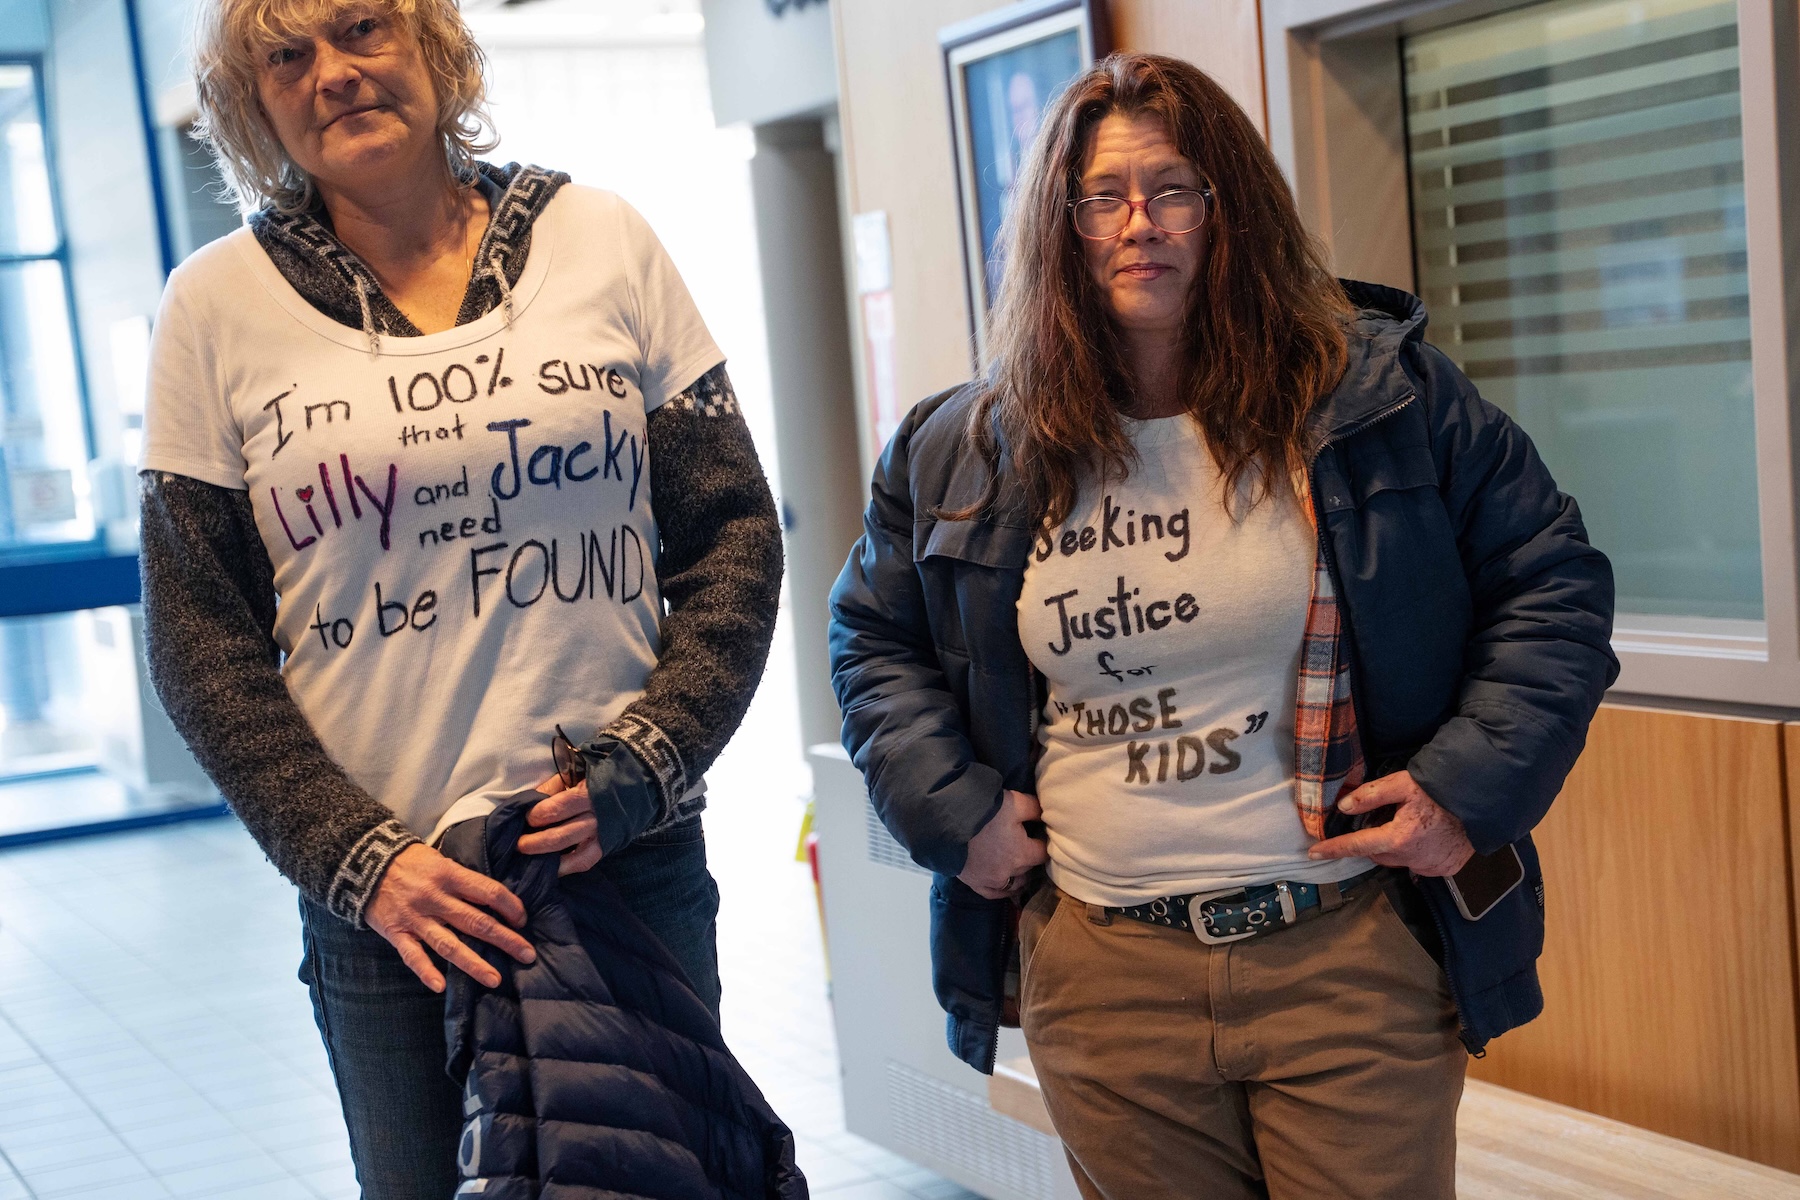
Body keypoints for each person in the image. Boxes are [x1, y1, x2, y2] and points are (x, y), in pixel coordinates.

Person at [828, 52, 1616, 1199]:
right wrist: (954, 817)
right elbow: (873, 641)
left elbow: (1555, 582)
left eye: (1175, 187)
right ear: (1061, 224)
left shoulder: (1377, 401)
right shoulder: (966, 448)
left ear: (1229, 207)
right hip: (1105, 976)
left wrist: (1467, 790)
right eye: (1102, 195)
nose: (1138, 223)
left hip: (1345, 956)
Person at [139, 2, 782, 1196]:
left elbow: (733, 533)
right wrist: (358, 859)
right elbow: (198, 638)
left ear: (431, 44)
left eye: (362, 28)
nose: (334, 74)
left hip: (619, 861)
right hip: (395, 911)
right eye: (288, 58)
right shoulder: (214, 305)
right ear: (255, 102)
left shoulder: (604, 239)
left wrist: (649, 757)